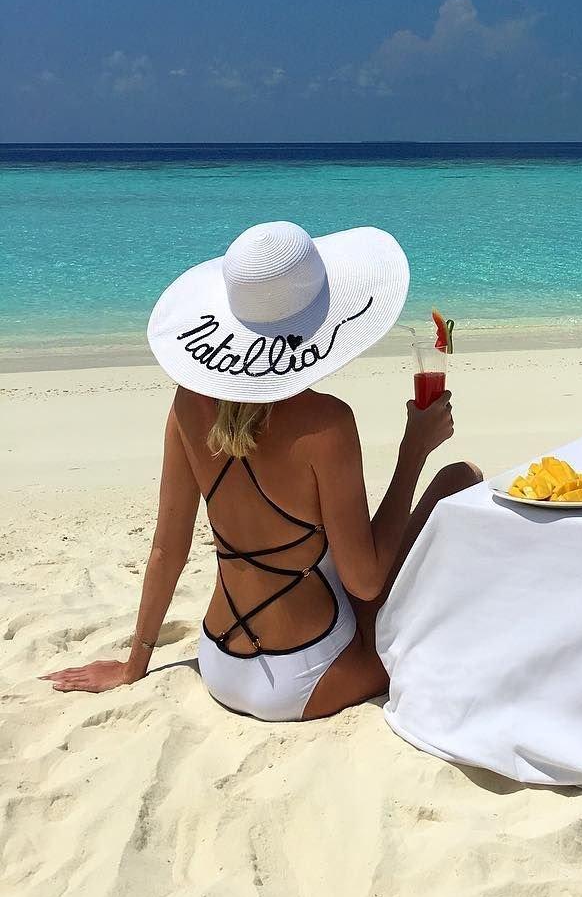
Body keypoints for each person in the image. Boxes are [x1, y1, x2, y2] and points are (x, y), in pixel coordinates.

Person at [43, 220, 480, 721]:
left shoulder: (188, 403)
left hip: (218, 661)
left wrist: (133, 664)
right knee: (459, 480)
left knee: (425, 498)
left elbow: (168, 548)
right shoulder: (327, 423)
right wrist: (413, 451)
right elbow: (364, 581)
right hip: (308, 674)